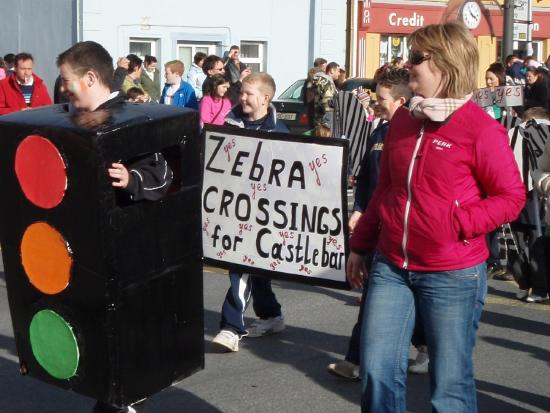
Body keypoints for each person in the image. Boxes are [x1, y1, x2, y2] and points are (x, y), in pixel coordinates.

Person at [347, 22, 525, 413]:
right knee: (376, 370)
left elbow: (511, 197)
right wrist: (360, 245)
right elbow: (386, 189)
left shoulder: (481, 129)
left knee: (449, 386)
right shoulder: (403, 121)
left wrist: (458, 222)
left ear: (445, 64)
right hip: (391, 265)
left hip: (452, 273)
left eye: (415, 58)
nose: (406, 66)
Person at [57, 40, 173, 413]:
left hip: (125, 254)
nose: (63, 89)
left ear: (90, 78)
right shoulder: (69, 122)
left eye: (67, 81)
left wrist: (132, 178)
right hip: (84, 250)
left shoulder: (132, 119)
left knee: (119, 340)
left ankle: (121, 400)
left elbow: (164, 173)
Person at [328, 67, 415, 380]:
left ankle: (424, 345)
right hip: (376, 222)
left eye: (382, 99)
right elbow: (367, 175)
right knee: (374, 295)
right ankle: (356, 359)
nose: (376, 104)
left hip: (401, 227)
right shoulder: (379, 130)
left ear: (402, 101)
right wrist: (359, 209)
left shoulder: (411, 133)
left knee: (399, 297)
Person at [212, 72, 288, 352]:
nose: (241, 98)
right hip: (234, 212)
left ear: (265, 98)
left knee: (241, 268)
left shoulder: (280, 133)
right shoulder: (228, 126)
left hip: (265, 216)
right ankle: (271, 315)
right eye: (241, 92)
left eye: (248, 94)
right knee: (251, 268)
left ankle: (231, 328)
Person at [312, 61, 340, 136]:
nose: (339, 74)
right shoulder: (327, 83)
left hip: (317, 118)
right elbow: (328, 104)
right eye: (338, 71)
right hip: (325, 121)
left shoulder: (319, 81)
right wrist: (329, 123)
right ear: (331, 70)